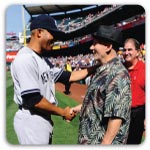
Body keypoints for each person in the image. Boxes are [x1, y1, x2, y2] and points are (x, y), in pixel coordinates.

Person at [10, 14, 99, 145]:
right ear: (39, 33)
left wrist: (98, 66)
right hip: (31, 120)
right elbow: (34, 100)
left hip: (40, 119)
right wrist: (63, 112)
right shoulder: (25, 59)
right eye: (53, 34)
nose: (55, 39)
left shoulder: (42, 60)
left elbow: (70, 77)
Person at [73, 25, 132, 144]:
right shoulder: (103, 70)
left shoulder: (118, 74)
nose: (91, 47)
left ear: (108, 47)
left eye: (95, 44)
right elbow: (99, 103)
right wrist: (80, 107)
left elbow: (116, 117)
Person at [123, 38, 145, 144]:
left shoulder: (144, 69)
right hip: (121, 114)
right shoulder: (120, 69)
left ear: (138, 52)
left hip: (137, 116)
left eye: (130, 50)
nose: (126, 53)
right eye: (125, 50)